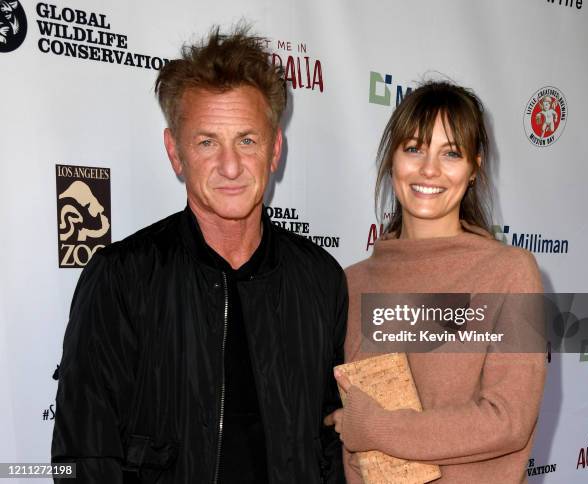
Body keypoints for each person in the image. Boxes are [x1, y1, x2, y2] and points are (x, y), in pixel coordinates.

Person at [51, 25, 347, 484]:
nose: (230, 166)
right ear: (175, 152)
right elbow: (85, 455)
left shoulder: (320, 279)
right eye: (207, 142)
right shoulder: (122, 278)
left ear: (275, 151)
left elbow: (331, 443)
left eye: (247, 140)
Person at [324, 81, 546, 483]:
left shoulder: (511, 273)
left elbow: (509, 420)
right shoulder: (350, 283)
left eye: (451, 154)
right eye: (414, 148)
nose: (429, 169)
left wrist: (378, 428)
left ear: (474, 167)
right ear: (392, 159)